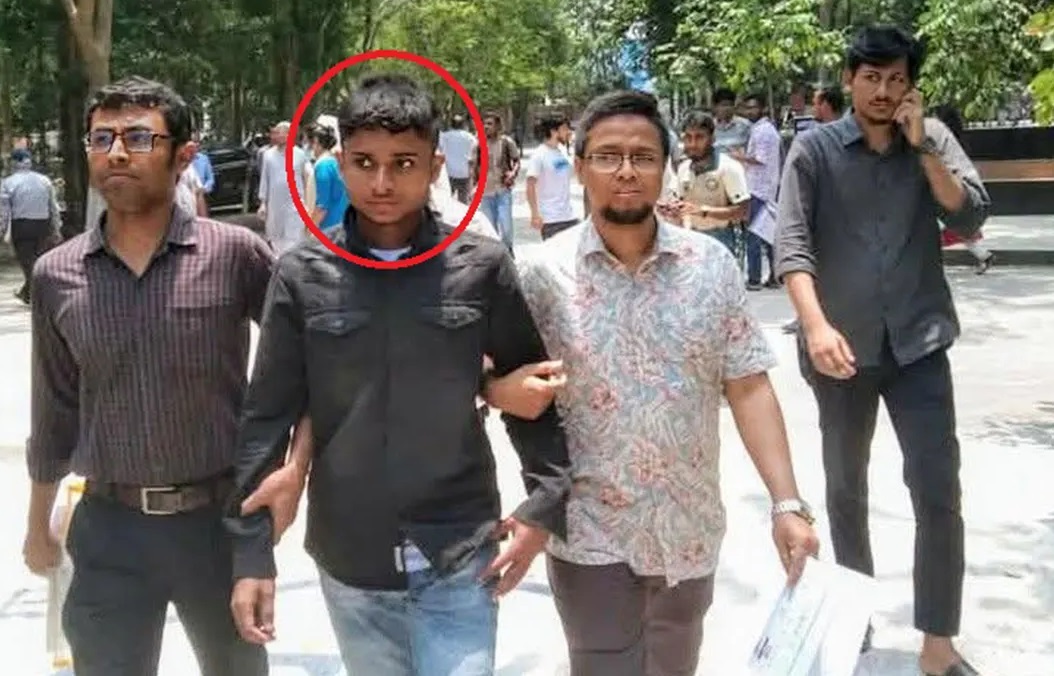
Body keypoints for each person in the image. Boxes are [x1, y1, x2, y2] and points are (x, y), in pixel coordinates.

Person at [225, 73, 572, 676]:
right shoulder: (302, 274)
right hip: (350, 557)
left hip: (459, 549)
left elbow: (533, 391)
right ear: (341, 164)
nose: (382, 183)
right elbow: (266, 415)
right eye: (365, 163)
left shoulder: (480, 266)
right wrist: (251, 555)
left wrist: (543, 508)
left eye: (403, 163)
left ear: (435, 166)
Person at [486, 89, 820, 676]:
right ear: (581, 166)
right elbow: (488, 371)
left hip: (687, 532)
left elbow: (748, 386)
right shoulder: (541, 275)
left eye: (642, 156)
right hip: (588, 533)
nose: (625, 171)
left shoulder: (710, 267)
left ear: (665, 167)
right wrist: (494, 390)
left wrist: (786, 504)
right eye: (607, 156)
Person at [23, 76, 280, 676]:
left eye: (139, 138)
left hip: (218, 525)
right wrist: (38, 527)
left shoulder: (234, 255)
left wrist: (289, 474)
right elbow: (54, 409)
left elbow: (303, 363)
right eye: (102, 138)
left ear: (184, 155)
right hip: (109, 529)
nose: (116, 153)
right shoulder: (56, 274)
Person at [775, 26, 990, 676]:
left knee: (938, 489)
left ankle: (937, 646)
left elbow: (968, 217)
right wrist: (815, 326)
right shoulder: (814, 150)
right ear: (849, 80)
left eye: (896, 79)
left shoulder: (932, 140)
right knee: (847, 492)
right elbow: (792, 246)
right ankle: (853, 625)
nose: (883, 91)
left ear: (911, 86)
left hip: (920, 344)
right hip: (840, 352)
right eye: (871, 77)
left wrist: (922, 147)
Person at [0, 148, 61, 304]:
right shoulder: (44, 180)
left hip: (22, 226)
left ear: (14, 162)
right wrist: (56, 228)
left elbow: (4, 211)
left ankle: (38, 295)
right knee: (38, 260)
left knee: (28, 261)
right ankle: (27, 293)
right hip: (43, 225)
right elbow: (53, 207)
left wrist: (2, 230)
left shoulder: (8, 183)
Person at [257, 120, 310, 253]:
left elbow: (307, 179)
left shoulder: (300, 154)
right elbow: (265, 179)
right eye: (277, 133)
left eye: (282, 133)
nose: (278, 136)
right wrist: (263, 203)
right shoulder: (267, 155)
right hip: (275, 204)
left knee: (295, 236)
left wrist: (308, 202)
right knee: (275, 237)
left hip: (295, 203)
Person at [470, 112, 520, 252]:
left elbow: (516, 161)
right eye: (484, 124)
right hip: (485, 192)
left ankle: (508, 250)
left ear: (497, 126)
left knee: (506, 227)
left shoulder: (506, 142)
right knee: (490, 229)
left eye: (490, 124)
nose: (486, 127)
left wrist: (513, 173)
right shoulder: (478, 144)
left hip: (502, 190)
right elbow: (473, 167)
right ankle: (498, 256)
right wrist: (472, 188)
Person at [526, 113, 578, 240]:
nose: (568, 132)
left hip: (569, 216)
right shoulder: (539, 155)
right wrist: (534, 214)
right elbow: (530, 185)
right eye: (564, 129)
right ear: (553, 131)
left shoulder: (562, 152)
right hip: (550, 219)